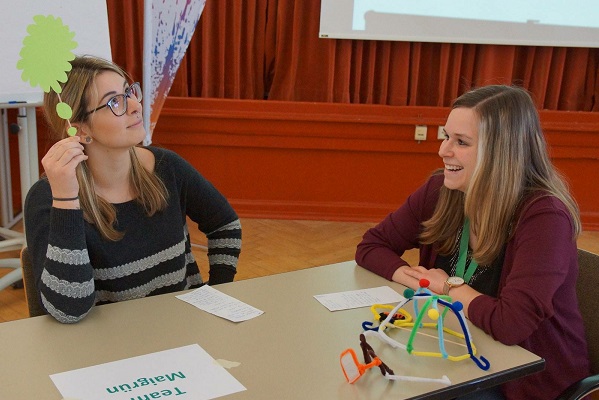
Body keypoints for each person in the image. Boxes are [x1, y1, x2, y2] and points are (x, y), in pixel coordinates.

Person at [355, 85, 590, 399]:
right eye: (446, 136)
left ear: (501, 153)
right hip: (453, 347)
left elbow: (511, 325)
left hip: (522, 380)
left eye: (461, 142)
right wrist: (419, 278)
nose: (443, 150)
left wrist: (446, 287)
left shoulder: (544, 217)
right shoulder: (441, 189)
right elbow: (371, 247)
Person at [25, 55, 241, 324]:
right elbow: (68, 310)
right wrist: (67, 198)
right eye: (115, 101)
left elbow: (225, 225)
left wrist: (217, 295)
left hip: (184, 334)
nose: (135, 106)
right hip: (109, 352)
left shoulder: (167, 167)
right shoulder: (48, 198)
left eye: (129, 92)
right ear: (79, 129)